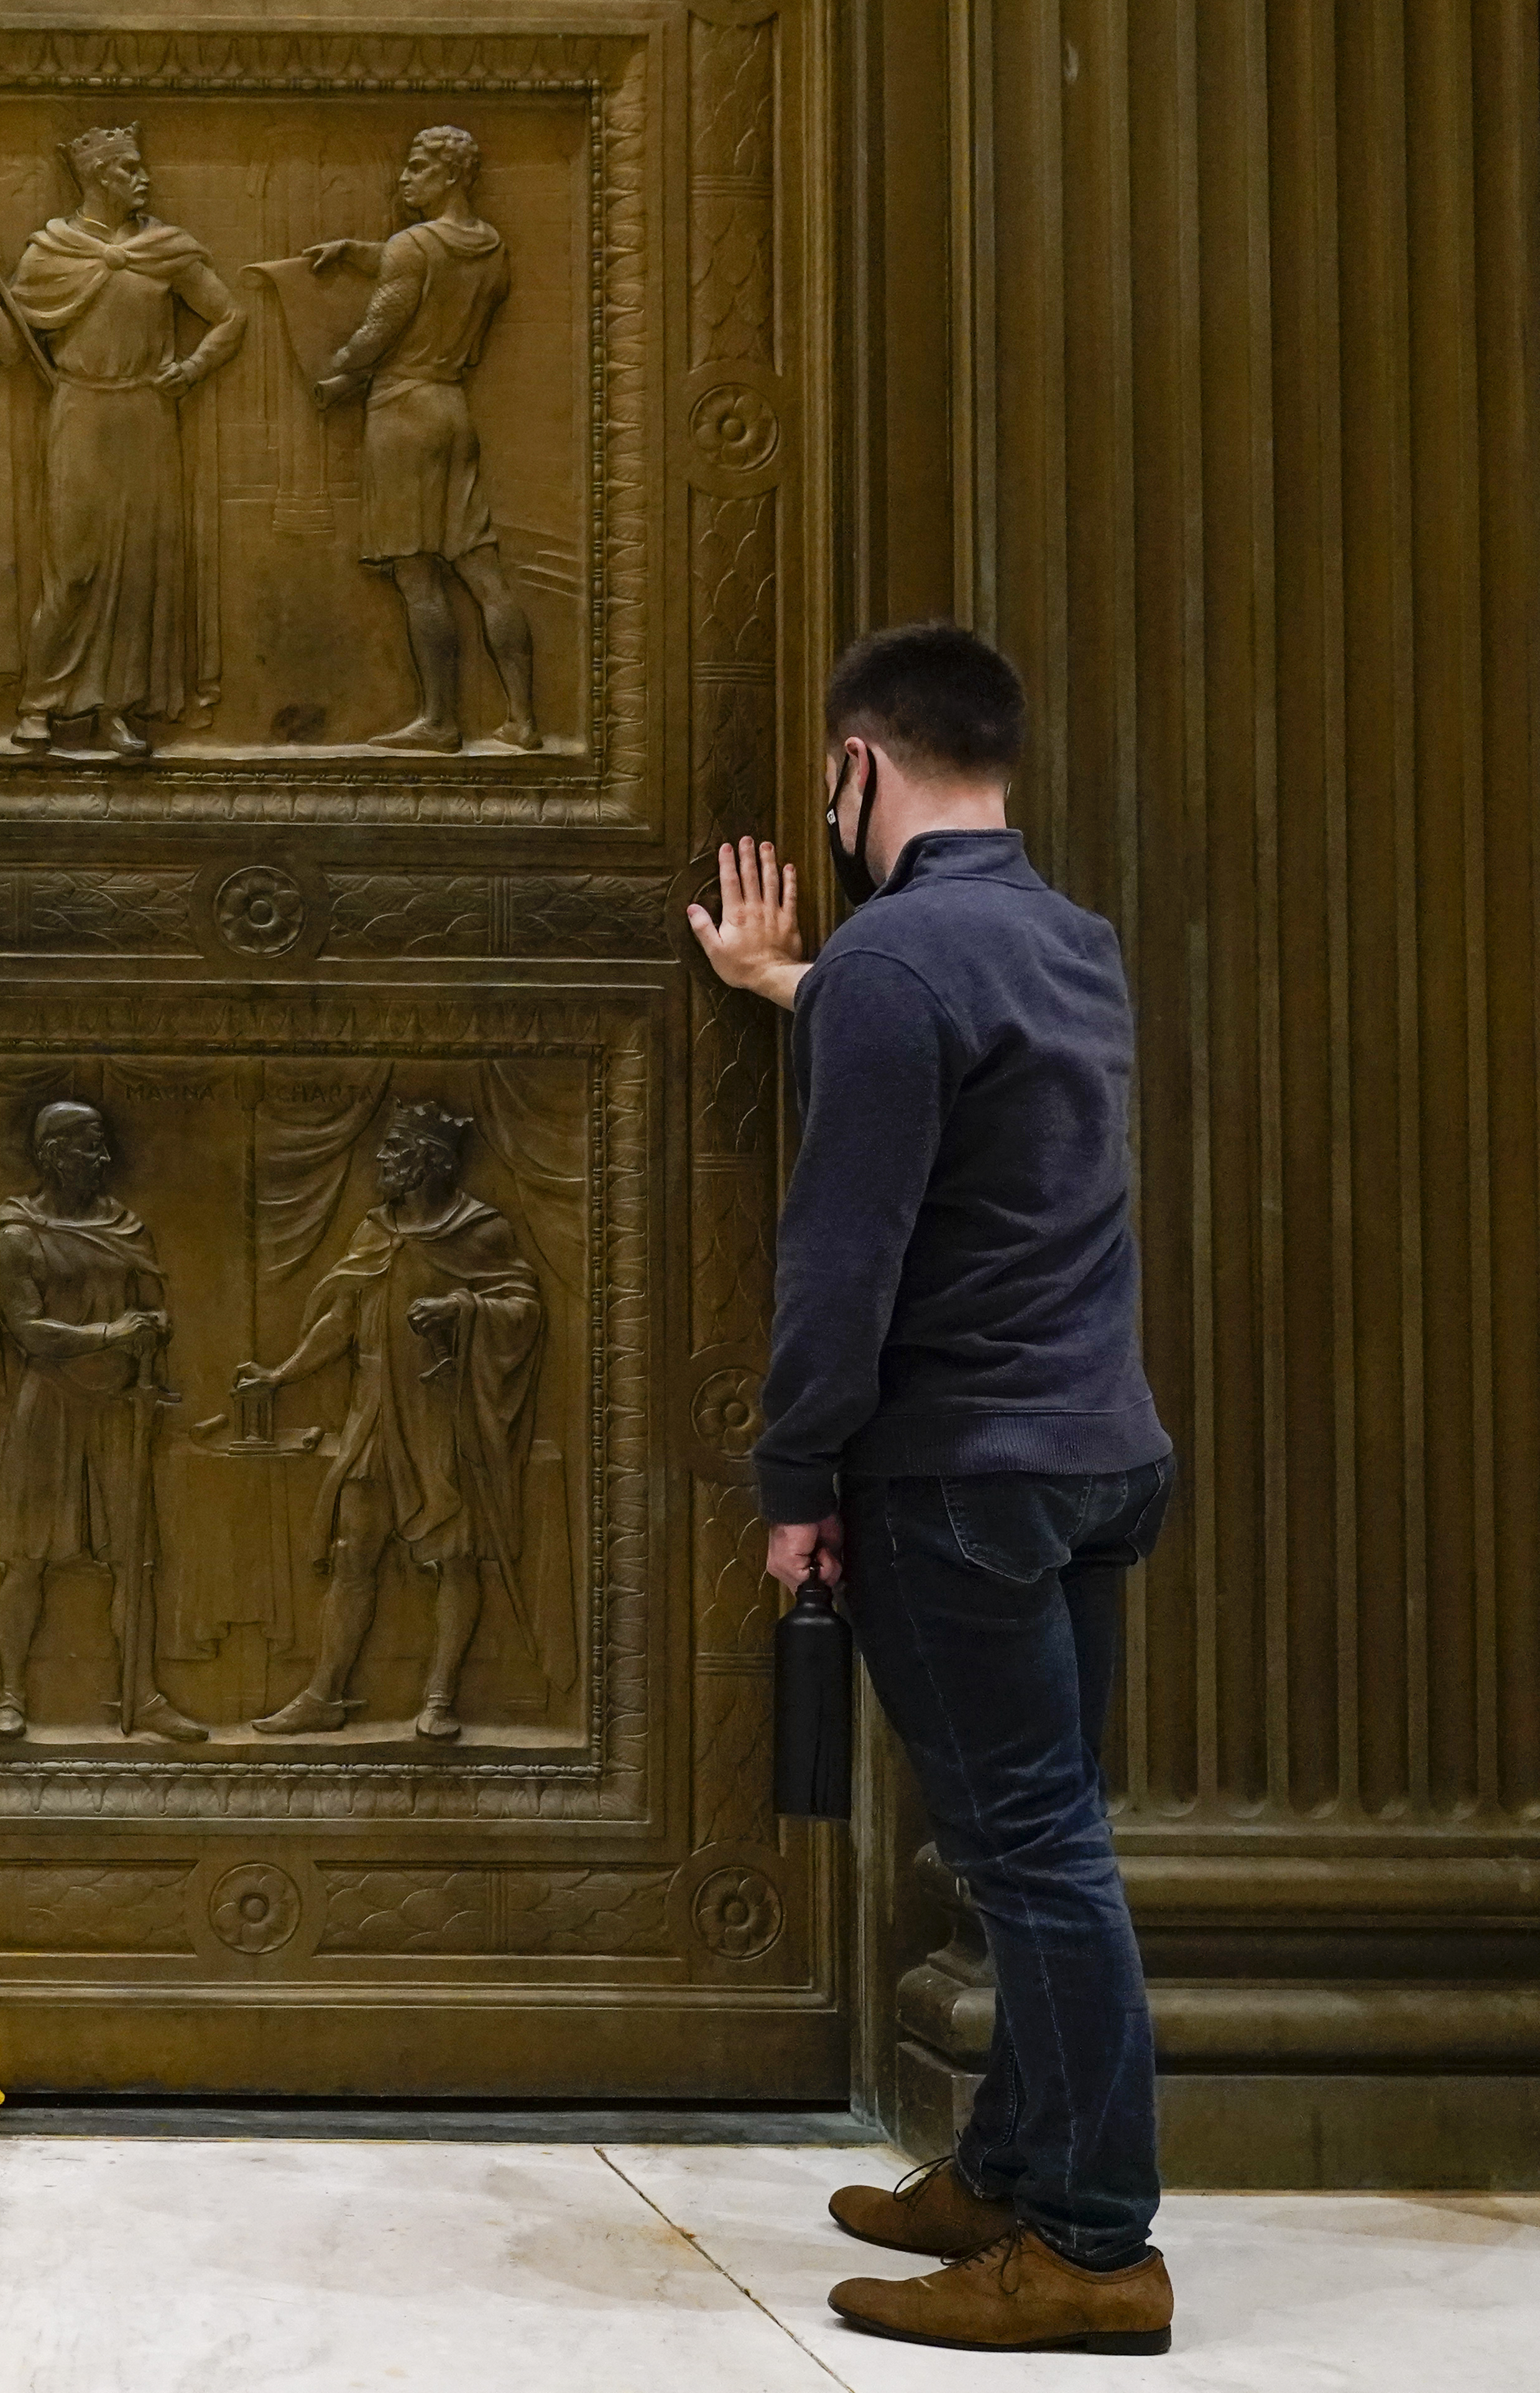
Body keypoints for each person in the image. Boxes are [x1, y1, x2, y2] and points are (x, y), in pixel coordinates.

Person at [689, 621, 1177, 2356]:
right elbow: (965, 1088)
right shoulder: (1066, 942)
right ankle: (1009, 2168)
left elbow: (843, 1259)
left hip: (953, 1477)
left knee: (1030, 1856)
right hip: (1094, 1456)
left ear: (852, 769)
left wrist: (791, 1474)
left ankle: (1094, 2244)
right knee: (1047, 1841)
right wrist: (789, 990)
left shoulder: (899, 963)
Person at [236, 1098, 550, 1743]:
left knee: (453, 1559)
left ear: (429, 1161)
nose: (379, 1162)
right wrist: (280, 1373)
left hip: (442, 1417)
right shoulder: (372, 1229)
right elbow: (341, 1320)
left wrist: (462, 1307)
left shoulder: (479, 1230)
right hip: (375, 1415)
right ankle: (324, 1693)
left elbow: (523, 1306)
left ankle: (438, 1698)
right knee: (354, 1552)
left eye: (392, 1151)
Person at [0, 124, 247, 762]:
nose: (144, 179)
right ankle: (39, 704)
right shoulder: (48, 252)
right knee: (75, 565)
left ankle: (115, 710)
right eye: (130, 169)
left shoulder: (163, 247)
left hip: (144, 415)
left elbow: (229, 315)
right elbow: (10, 349)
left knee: (139, 567)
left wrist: (191, 368)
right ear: (96, 176)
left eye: (142, 168)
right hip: (81, 412)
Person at [0, 1101, 207, 1743]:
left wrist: (151, 1332)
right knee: (25, 1557)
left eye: (102, 1146)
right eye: (87, 1146)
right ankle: (11, 1693)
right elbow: (25, 1330)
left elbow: (152, 1313)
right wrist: (113, 1331)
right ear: (51, 1153)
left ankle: (143, 1693)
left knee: (135, 1560)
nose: (103, 1159)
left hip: (117, 1409)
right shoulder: (16, 1233)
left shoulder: (127, 1227)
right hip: (46, 1405)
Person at [305, 124, 540, 754]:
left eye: (415, 168)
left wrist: (336, 369)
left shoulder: (411, 247)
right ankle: (522, 718)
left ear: (449, 175)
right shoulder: (491, 248)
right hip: (451, 405)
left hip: (401, 412)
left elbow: (382, 327)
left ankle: (439, 721)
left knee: (417, 576)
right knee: (481, 570)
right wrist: (353, 250)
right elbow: (427, 272)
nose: (402, 179)